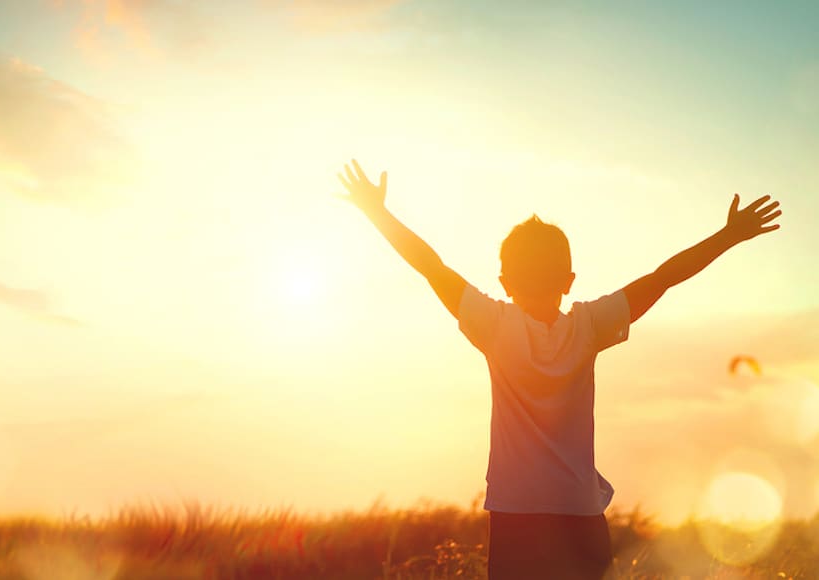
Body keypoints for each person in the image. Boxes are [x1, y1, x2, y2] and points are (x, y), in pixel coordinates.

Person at [335, 159, 782, 579]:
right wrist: (728, 236)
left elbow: (431, 267)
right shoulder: (589, 326)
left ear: (505, 281)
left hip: (516, 513)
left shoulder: (493, 325)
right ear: (569, 282)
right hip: (580, 515)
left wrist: (378, 213)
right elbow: (662, 277)